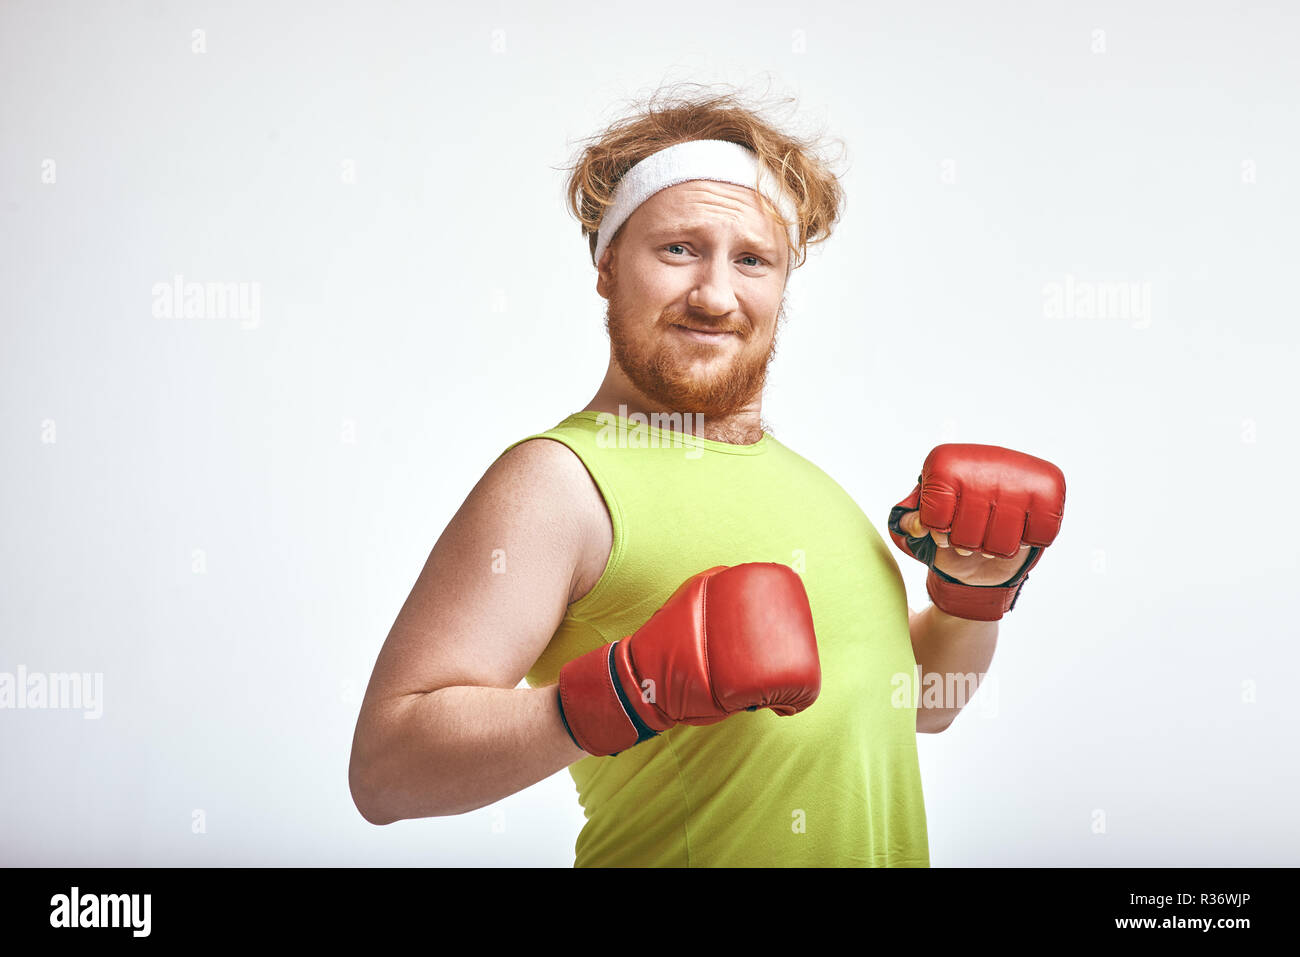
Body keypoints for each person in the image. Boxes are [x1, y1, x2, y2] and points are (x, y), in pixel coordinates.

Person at [347, 84, 1066, 867]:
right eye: (679, 249)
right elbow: (386, 770)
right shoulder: (558, 481)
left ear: (783, 284)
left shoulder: (822, 498)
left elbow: (923, 706)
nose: (716, 294)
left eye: (752, 260)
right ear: (608, 265)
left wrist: (974, 594)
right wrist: (624, 693)